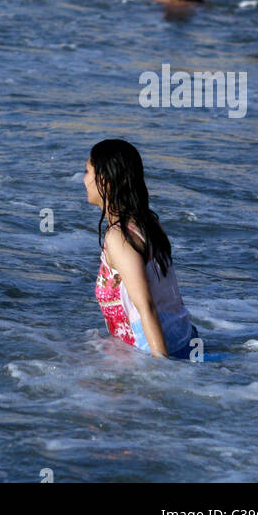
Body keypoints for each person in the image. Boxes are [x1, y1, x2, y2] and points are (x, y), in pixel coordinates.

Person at [84, 139, 197, 360]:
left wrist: (160, 369)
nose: (84, 180)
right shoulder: (150, 223)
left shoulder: (118, 237)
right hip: (184, 337)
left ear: (103, 179)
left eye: (87, 171)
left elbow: (146, 305)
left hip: (149, 347)